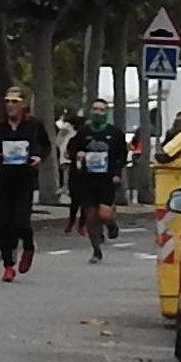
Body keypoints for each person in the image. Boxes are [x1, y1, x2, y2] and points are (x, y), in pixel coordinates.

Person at [0, 86, 50, 283]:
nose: (10, 105)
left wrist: (39, 158)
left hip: (24, 177)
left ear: (23, 104)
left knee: (21, 221)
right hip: (2, 177)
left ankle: (28, 246)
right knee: (2, 222)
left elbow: (45, 145)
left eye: (14, 101)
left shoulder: (33, 124)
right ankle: (8, 264)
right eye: (8, 101)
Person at [68, 98, 127, 264]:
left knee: (104, 213)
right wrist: (77, 155)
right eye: (95, 109)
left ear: (106, 113)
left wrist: (116, 173)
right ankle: (96, 250)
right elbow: (71, 150)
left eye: (101, 110)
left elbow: (121, 156)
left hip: (107, 179)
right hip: (87, 179)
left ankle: (111, 224)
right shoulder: (84, 132)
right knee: (91, 217)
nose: (98, 113)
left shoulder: (115, 133)